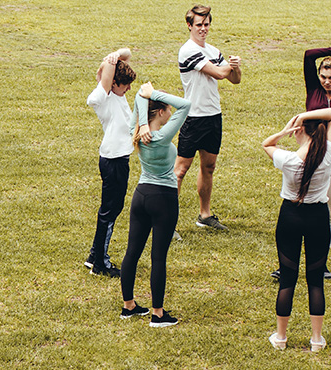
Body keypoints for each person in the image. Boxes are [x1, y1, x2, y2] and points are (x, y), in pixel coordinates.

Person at [271, 45, 331, 281]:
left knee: (329, 211)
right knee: (299, 207)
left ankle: (321, 264)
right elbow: (310, 55)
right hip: (310, 158)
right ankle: (287, 264)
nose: (327, 81)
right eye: (323, 76)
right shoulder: (313, 88)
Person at [262, 107, 331, 352]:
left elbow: (266, 144)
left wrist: (285, 129)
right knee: (315, 281)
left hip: (291, 217)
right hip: (318, 217)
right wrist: (305, 118)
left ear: (299, 132)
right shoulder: (327, 152)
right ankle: (316, 339)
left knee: (288, 279)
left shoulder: (288, 159)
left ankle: (281, 337)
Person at [120, 82, 191, 327]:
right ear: (160, 112)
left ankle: (129, 306)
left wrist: (144, 103)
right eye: (166, 108)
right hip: (164, 199)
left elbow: (140, 99)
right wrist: (155, 94)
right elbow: (186, 104)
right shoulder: (162, 136)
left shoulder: (137, 131)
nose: (170, 111)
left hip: (141, 196)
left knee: (132, 251)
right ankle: (158, 314)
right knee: (158, 257)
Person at [174, 4, 242, 231]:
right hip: (193, 118)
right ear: (189, 26)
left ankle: (205, 215)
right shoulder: (188, 50)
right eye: (199, 25)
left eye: (206, 24)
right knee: (180, 170)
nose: (203, 29)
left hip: (213, 116)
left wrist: (236, 68)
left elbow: (235, 79)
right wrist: (228, 67)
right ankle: (167, 221)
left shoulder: (213, 50)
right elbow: (221, 73)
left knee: (209, 167)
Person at [83, 48, 137, 278]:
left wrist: (114, 55)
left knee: (112, 208)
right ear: (112, 83)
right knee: (110, 210)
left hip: (118, 159)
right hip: (113, 161)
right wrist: (108, 62)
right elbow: (104, 76)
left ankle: (94, 255)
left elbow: (127, 53)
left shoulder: (117, 95)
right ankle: (101, 265)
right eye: (124, 84)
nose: (128, 89)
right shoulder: (102, 97)